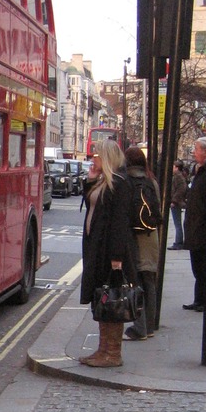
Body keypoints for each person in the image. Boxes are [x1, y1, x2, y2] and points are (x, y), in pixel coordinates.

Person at [79, 139, 138, 368]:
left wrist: (116, 259)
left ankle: (112, 353)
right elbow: (91, 205)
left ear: (108, 157)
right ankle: (102, 349)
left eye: (98, 155)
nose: (94, 158)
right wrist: (92, 179)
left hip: (110, 253)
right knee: (102, 299)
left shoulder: (121, 184)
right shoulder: (105, 181)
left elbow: (119, 224)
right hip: (97, 249)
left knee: (113, 300)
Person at [124, 146, 160, 341]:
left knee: (135, 281)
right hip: (150, 235)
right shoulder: (151, 181)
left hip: (134, 236)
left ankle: (139, 327)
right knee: (149, 281)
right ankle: (150, 326)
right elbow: (158, 211)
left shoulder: (127, 180)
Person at [182, 136, 206, 312]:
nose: (193, 152)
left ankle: (202, 300)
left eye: (196, 149)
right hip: (194, 228)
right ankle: (199, 299)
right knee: (197, 268)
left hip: (201, 230)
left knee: (202, 269)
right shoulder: (199, 172)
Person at [168, 160, 188, 249]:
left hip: (176, 203)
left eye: (173, 166)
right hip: (177, 202)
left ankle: (178, 242)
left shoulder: (178, 177)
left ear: (176, 168)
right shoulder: (177, 176)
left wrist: (174, 200)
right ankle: (178, 241)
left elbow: (181, 189)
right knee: (178, 223)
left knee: (177, 223)